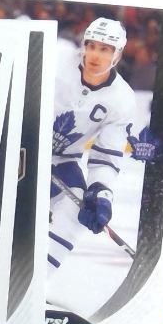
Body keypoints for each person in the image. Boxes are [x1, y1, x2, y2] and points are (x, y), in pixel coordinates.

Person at [48, 18, 137, 276]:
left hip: (62, 161)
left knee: (76, 208)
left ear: (117, 54)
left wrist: (101, 192)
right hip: (17, 149)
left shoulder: (122, 98)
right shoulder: (55, 60)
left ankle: (35, 280)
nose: (96, 55)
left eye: (105, 49)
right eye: (92, 46)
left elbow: (106, 155)